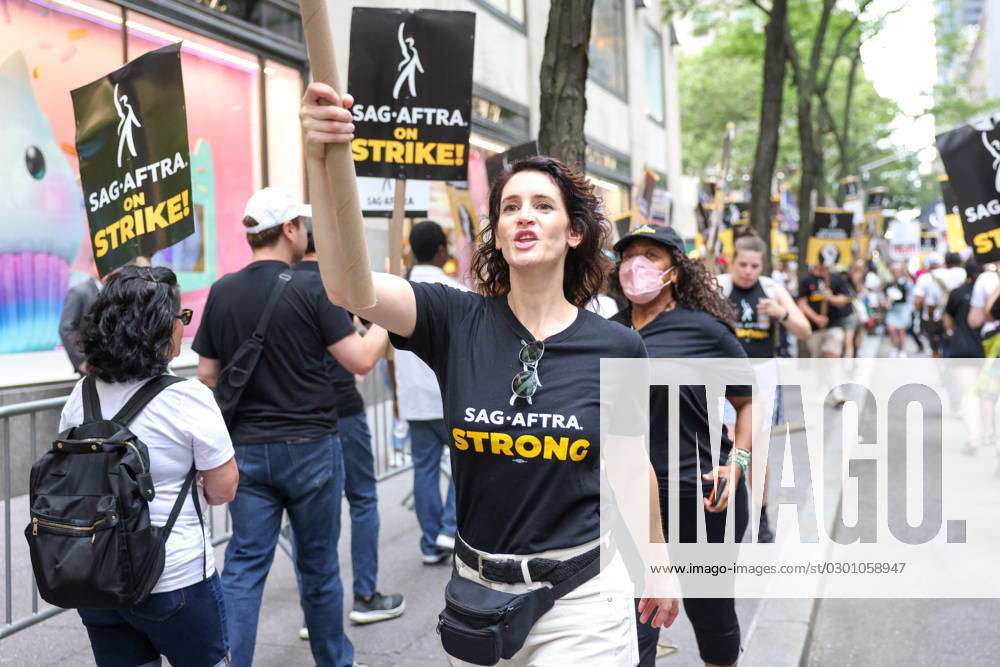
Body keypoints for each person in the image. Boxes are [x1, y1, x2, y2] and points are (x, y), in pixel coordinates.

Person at [302, 83, 679, 665]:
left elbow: (634, 467)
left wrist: (658, 566)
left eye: (543, 205)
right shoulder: (454, 319)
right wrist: (320, 157)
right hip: (478, 602)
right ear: (498, 234)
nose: (524, 215)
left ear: (573, 233)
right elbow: (344, 286)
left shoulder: (618, 345)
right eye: (510, 207)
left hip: (582, 599)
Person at [193, 187, 386, 667]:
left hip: (247, 454)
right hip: (313, 448)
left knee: (243, 569)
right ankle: (333, 662)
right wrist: (385, 319)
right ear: (289, 230)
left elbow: (207, 378)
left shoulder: (222, 290)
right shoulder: (313, 286)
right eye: (301, 224)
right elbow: (360, 359)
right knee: (319, 569)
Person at [63, 265, 238, 666]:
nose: (183, 327)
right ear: (160, 328)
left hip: (96, 578)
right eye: (181, 317)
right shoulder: (188, 397)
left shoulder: (81, 394)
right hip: (174, 579)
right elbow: (223, 489)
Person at [609, 225, 753, 667]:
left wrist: (738, 464)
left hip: (701, 498)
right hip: (630, 503)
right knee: (637, 623)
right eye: (630, 255)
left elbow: (748, 402)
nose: (638, 264)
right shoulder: (602, 334)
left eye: (651, 254)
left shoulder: (705, 331)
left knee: (711, 615)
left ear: (674, 270)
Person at [294, 226, 404, 630]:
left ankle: (316, 612)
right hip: (341, 409)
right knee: (362, 500)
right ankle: (365, 595)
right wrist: (386, 315)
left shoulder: (281, 286)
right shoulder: (329, 290)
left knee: (311, 516)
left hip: (300, 418)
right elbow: (362, 357)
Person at [718, 235, 810, 544]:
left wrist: (780, 313)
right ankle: (724, 511)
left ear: (762, 265)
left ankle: (760, 514)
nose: (748, 271)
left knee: (758, 448)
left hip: (762, 373)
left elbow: (805, 330)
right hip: (724, 374)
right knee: (726, 443)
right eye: (742, 264)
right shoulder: (718, 287)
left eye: (754, 266)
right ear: (733, 261)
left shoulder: (772, 289)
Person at [393, 219, 461, 564]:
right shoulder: (457, 291)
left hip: (415, 400)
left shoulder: (396, 291)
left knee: (424, 469)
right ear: (440, 251)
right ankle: (449, 528)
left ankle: (429, 542)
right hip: (451, 396)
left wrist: (395, 397)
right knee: (466, 465)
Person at [944, 260, 986, 455]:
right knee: (989, 396)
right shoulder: (993, 292)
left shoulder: (957, 293)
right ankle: (988, 434)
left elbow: (947, 320)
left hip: (963, 349)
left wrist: (956, 331)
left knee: (969, 395)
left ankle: (974, 438)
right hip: (990, 351)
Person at [797, 261, 853, 361]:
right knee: (818, 361)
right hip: (814, 328)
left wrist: (831, 298)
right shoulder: (806, 280)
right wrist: (816, 318)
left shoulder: (836, 278)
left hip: (834, 325)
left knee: (832, 356)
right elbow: (802, 303)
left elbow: (845, 299)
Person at [914, 252, 967, 358]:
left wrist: (928, 323)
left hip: (935, 319)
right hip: (955, 317)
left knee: (937, 348)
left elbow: (921, 303)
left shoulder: (926, 278)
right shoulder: (955, 274)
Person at [59, 272, 101, 373]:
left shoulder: (116, 290)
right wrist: (81, 360)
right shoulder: (79, 292)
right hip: (90, 363)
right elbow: (66, 328)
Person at [883, 263, 914, 357]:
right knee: (891, 329)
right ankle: (894, 347)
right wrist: (885, 302)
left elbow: (910, 286)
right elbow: (884, 296)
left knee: (901, 330)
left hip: (903, 308)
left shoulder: (905, 283)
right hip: (893, 309)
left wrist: (904, 271)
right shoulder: (889, 284)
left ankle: (902, 350)